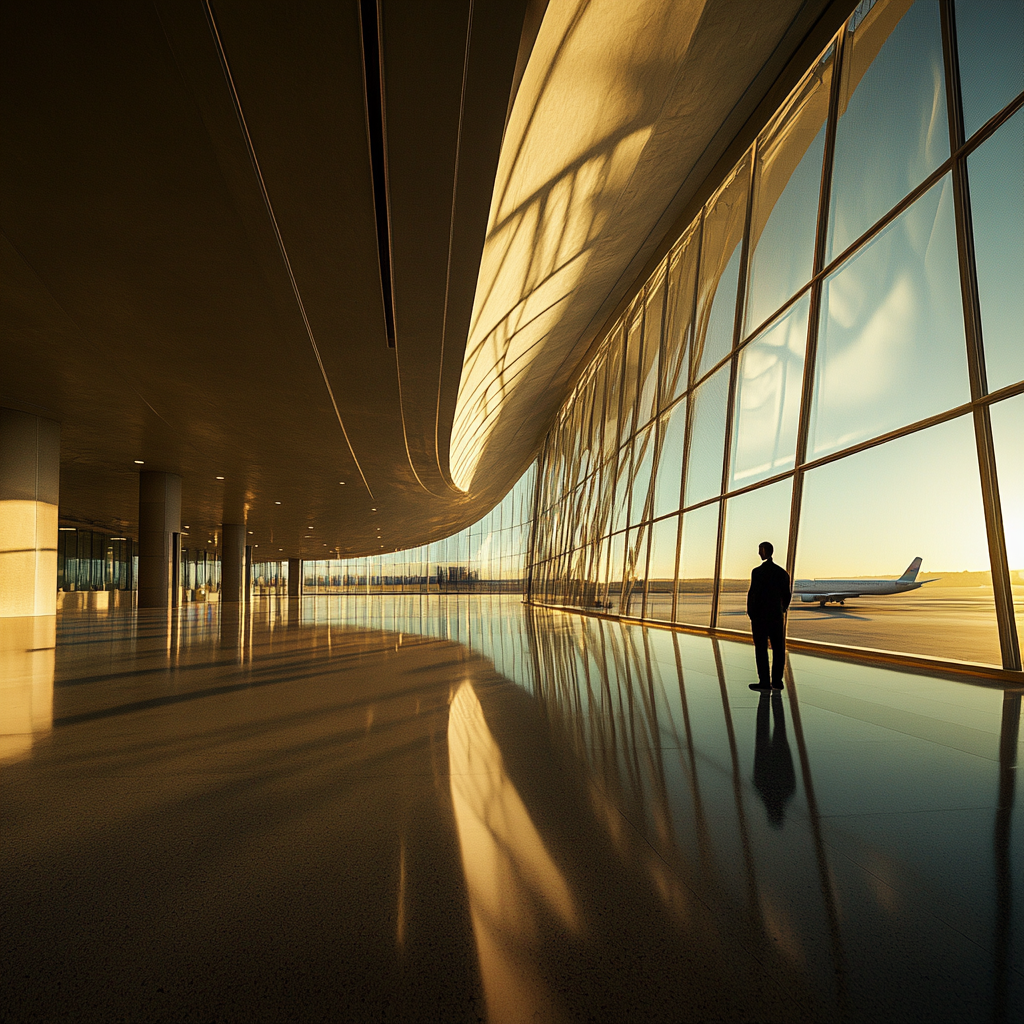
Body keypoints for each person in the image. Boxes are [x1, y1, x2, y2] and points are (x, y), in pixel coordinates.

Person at [747, 540, 791, 691]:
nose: (759, 553)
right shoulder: (782, 573)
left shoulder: (757, 572)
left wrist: (752, 613)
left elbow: (752, 594)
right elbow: (787, 595)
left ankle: (764, 681)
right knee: (778, 649)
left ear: (765, 552)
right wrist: (781, 609)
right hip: (776, 617)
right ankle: (777, 681)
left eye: (760, 550)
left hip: (760, 617)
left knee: (761, 649)